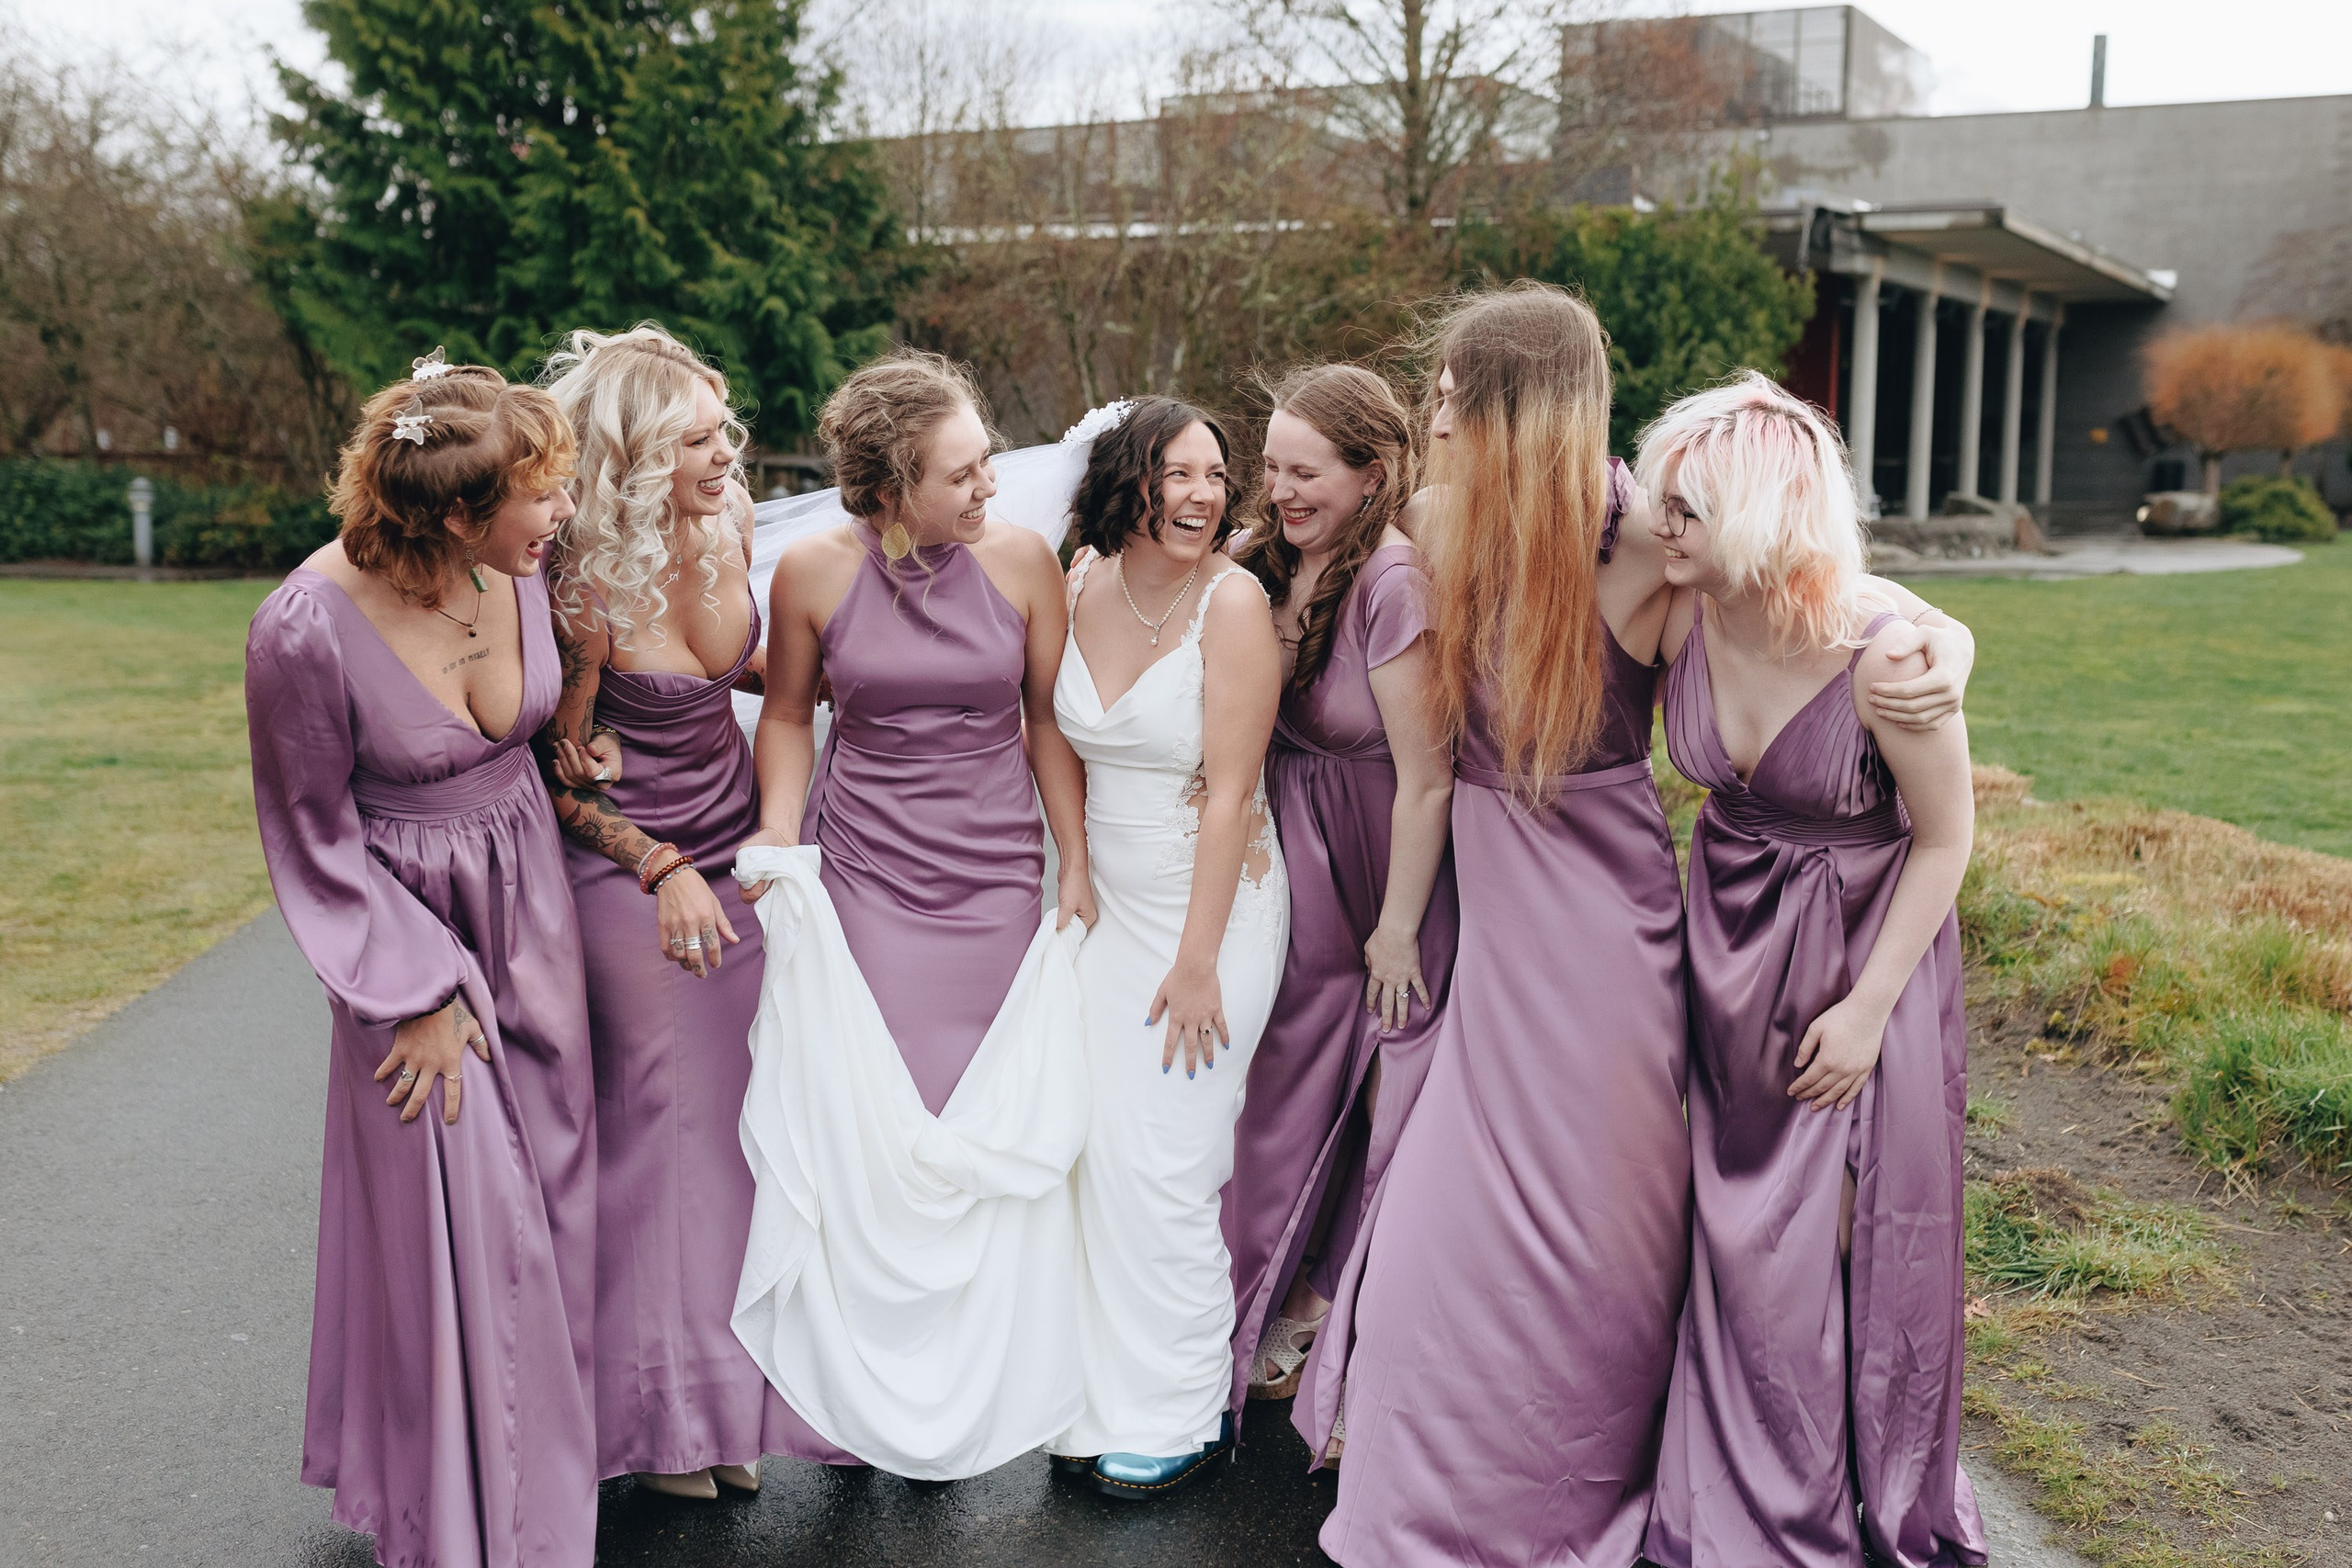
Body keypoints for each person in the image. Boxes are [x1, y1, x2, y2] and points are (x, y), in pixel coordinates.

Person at [1305, 285, 1977, 1566]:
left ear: (1512, 407)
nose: (1431, 405)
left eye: (1453, 388)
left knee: (1609, 1222)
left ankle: (1589, 1482)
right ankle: (1432, 1484)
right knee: (1448, 1204)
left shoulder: (1637, 535)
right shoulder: (1428, 532)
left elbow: (1826, 597)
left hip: (1611, 921)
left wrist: (1950, 630)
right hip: (1491, 904)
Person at [245, 355, 598, 1566]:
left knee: (546, 1205)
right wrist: (414, 991)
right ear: (454, 510)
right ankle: (487, 1530)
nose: (561, 513)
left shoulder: (518, 572)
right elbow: (312, 830)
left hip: (535, 913)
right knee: (462, 1223)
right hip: (405, 940)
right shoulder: (304, 624)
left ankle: (526, 1482)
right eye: (539, 494)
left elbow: (539, 733)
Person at [729, 350, 1097, 1480]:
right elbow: (787, 716)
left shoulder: (1028, 562)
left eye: (987, 463)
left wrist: (1071, 862)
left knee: (966, 1126)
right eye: (962, 473)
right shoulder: (809, 573)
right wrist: (780, 839)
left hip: (990, 877)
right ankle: (857, 1400)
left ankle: (959, 1385)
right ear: (889, 487)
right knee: (868, 1134)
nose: (990, 487)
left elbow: (1044, 723)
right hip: (867, 875)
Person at [1640, 374, 1987, 1568]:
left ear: (1753, 515)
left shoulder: (1887, 655)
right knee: (1737, 1238)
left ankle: (1838, 1503)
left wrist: (1868, 1012)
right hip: (1727, 953)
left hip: (1860, 966)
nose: (1658, 522)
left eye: (1685, 506)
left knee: (1842, 1240)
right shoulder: (1684, 610)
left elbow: (1948, 837)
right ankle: (1739, 1486)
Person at [535, 324, 785, 1500]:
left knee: (742, 1142)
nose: (722, 454)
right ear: (635, 453)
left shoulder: (733, 525)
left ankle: (726, 1404)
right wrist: (656, 863)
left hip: (741, 865)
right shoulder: (577, 578)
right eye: (695, 439)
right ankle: (656, 1419)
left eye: (722, 430)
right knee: (660, 1135)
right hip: (629, 874)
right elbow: (556, 773)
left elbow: (775, 684)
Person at [1051, 395, 1290, 1499]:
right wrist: (1075, 867)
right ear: (1127, 482)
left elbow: (1234, 787)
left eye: (1214, 476)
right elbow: (1045, 726)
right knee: (1097, 1150)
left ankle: (1184, 1410)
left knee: (1170, 1158)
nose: (1203, 495)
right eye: (1178, 475)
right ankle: (1099, 1396)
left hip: (1215, 907)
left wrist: (1197, 961)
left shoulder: (1232, 604)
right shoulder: (1077, 579)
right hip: (1108, 900)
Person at [1222, 366, 1456, 1426]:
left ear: (1371, 474)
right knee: (1277, 1085)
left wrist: (1398, 930)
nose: (1280, 489)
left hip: (1377, 863)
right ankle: (1236, 1301)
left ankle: (1324, 1306)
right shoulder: (1265, 565)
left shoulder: (1394, 583)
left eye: (1304, 471)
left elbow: (1429, 775)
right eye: (1270, 466)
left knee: (1376, 1091)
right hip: (1288, 849)